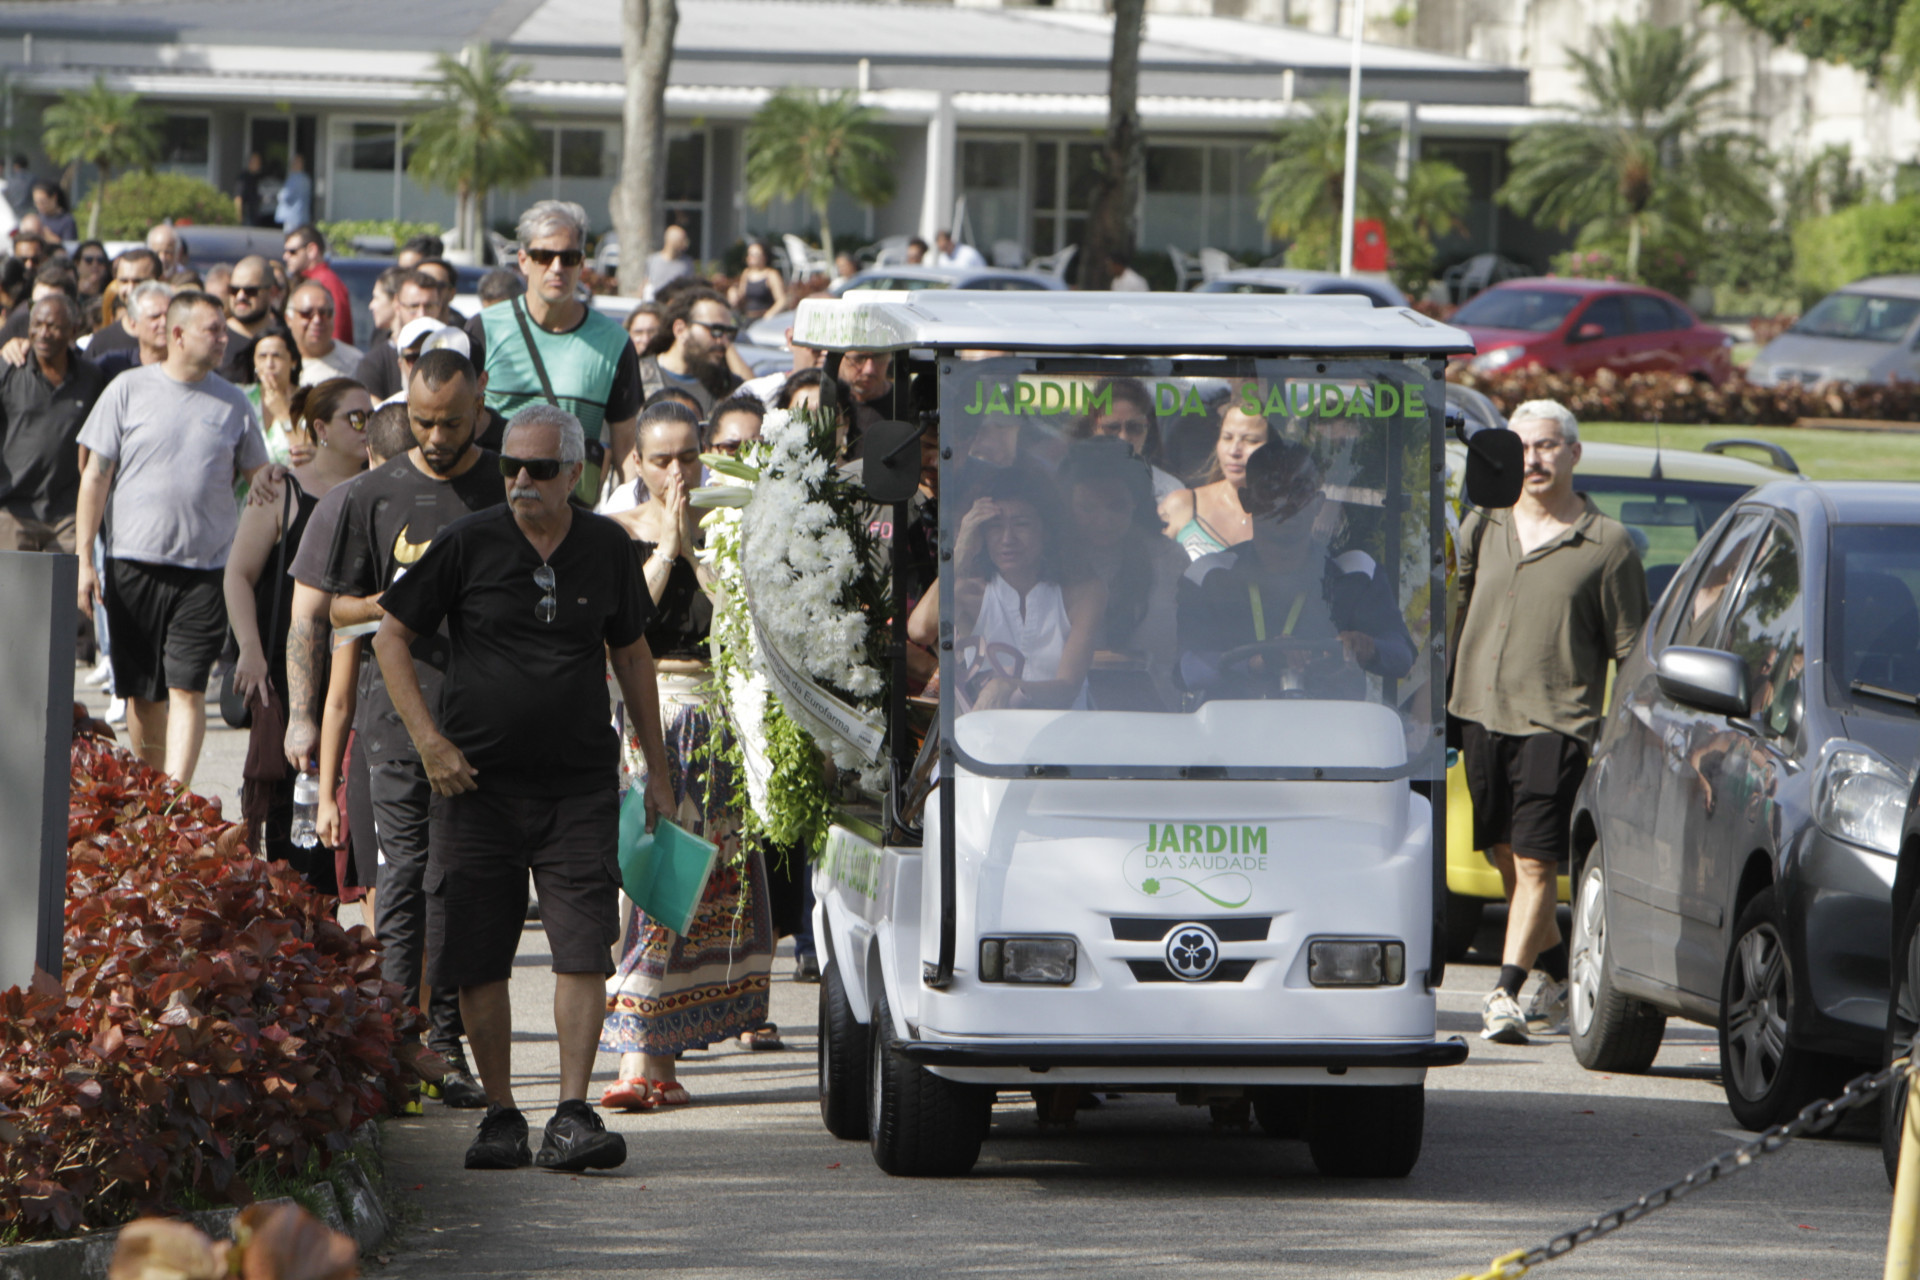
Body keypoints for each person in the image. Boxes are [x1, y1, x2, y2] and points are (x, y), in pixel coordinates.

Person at [375, 403, 671, 1171]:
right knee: (476, 954)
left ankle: (572, 1114)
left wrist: (659, 774)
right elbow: (390, 636)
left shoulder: (607, 546)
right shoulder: (468, 542)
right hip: (475, 787)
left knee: (582, 950)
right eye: (511, 465)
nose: (521, 481)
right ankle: (502, 1113)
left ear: (578, 473)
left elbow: (633, 656)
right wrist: (429, 743)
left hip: (578, 785)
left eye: (540, 469)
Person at [290, 348, 503, 1112]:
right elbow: (328, 609)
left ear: (479, 404)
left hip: (484, 718)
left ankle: (444, 1045)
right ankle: (391, 1046)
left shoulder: (508, 483)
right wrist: (396, 605)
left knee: (459, 880)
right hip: (394, 718)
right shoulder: (371, 495)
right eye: (421, 422)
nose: (437, 436)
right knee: (402, 880)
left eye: (451, 421)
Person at [1450, 399, 1648, 1045]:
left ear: (1573, 454)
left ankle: (1505, 993)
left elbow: (1629, 649)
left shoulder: (1607, 543)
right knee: (1504, 853)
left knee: (1536, 863)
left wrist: (1620, 734)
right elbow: (1457, 608)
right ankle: (1563, 974)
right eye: (1523, 447)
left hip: (1555, 722)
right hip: (1478, 712)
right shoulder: (1483, 522)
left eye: (1547, 446)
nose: (1533, 460)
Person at [598, 400, 776, 1111]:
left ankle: (663, 1058)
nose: (678, 471)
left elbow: (742, 621)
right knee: (648, 882)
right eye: (663, 459)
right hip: (653, 716)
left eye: (689, 457)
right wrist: (665, 548)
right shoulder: (613, 534)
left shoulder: (730, 525)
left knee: (703, 888)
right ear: (635, 463)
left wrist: (697, 549)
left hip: (721, 720)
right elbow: (622, 625)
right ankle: (638, 1055)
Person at [74, 291, 269, 782]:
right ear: (177, 335)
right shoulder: (127, 389)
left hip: (206, 571)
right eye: (214, 330)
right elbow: (94, 477)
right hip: (132, 563)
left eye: (224, 330)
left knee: (188, 688)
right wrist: (84, 559)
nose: (225, 339)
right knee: (143, 694)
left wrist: (284, 477)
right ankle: (151, 790)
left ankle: (176, 799)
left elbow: (260, 477)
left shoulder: (234, 404)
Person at [224, 378, 370, 883]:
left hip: (360, 675)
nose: (366, 426)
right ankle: (297, 947)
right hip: (291, 676)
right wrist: (250, 650)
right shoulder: (280, 490)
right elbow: (238, 575)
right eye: (356, 417)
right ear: (320, 428)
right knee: (295, 824)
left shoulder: (377, 488)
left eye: (371, 416)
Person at [1176, 439, 1414, 703]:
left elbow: (1402, 655)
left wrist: (1367, 647)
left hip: (1332, 733)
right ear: (1246, 499)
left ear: (1318, 503)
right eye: (1271, 489)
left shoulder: (1356, 573)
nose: (1285, 503)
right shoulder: (1210, 575)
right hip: (1236, 733)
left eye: (1298, 490)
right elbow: (1185, 668)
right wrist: (1256, 663)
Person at [469, 201, 640, 504]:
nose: (557, 267)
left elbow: (626, 450)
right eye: (544, 256)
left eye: (569, 257)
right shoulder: (484, 329)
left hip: (571, 519)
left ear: (582, 264)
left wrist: (632, 518)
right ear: (523, 260)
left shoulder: (614, 342)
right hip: (492, 508)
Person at [908, 468, 1106, 713]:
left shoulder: (1083, 592)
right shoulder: (968, 590)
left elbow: (1067, 688)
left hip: (1064, 738)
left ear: (1046, 529)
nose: (1007, 538)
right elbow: (919, 630)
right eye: (994, 526)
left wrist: (1007, 686)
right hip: (989, 743)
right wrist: (959, 555)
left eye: (1022, 524)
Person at [1060, 438, 1185, 707]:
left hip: (1156, 717)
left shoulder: (1169, 560)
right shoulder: (1051, 561)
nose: (1103, 521)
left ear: (1136, 503)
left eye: (1116, 506)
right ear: (1067, 505)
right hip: (1068, 717)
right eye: (1088, 508)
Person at [0, 294, 106, 552]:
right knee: (11, 593)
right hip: (13, 512)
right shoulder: (8, 369)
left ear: (72, 331)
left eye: (53, 326)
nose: (43, 333)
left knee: (64, 591)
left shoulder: (91, 379)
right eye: (37, 325)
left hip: (67, 516)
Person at [1159, 402, 1265, 559]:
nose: (1234, 450)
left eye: (1250, 440)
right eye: (1227, 438)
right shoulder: (1182, 505)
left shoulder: (1292, 516)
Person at [1070, 376, 1179, 501]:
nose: (1123, 437)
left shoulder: (1169, 491)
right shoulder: (1068, 480)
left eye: (1135, 428)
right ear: (1092, 428)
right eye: (1111, 428)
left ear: (1148, 431)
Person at [638, 286, 738, 415]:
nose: (724, 341)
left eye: (729, 332)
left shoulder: (727, 387)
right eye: (716, 330)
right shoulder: (636, 377)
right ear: (680, 330)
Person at [354, 269, 444, 400]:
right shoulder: (373, 364)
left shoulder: (455, 349)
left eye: (429, 306)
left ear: (440, 306)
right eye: (413, 307)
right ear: (397, 305)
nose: (422, 314)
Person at [237, 328, 306, 466]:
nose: (269, 364)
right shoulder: (240, 396)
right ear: (254, 362)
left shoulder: (309, 400)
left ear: (293, 361)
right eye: (262, 356)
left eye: (277, 356)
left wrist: (284, 414)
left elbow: (310, 453)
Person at [282, 225, 353, 346]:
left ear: (312, 250)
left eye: (292, 252)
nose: (285, 256)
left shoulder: (327, 282)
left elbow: (336, 333)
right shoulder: (304, 280)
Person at [93, 282, 173, 383]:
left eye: (169, 315)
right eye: (155, 317)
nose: (164, 322)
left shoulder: (191, 367)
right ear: (133, 324)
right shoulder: (111, 365)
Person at [286, 280, 362, 384]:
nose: (317, 320)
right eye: (307, 313)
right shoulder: (276, 360)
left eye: (324, 313)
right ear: (288, 319)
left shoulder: (356, 363)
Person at [224, 255, 278, 347]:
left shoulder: (286, 339)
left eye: (250, 291)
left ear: (272, 292)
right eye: (234, 290)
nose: (240, 296)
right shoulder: (218, 339)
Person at [727, 241, 786, 321]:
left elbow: (782, 301)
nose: (750, 257)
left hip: (763, 319)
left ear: (764, 257)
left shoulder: (771, 274)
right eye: (749, 254)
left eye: (755, 255)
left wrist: (769, 315)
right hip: (748, 318)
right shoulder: (747, 273)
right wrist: (733, 291)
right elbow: (742, 295)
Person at [645, 223, 694, 297]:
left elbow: (691, 288)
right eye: (681, 241)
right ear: (671, 240)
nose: (685, 244)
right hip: (655, 304)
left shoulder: (687, 263)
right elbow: (646, 283)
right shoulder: (653, 260)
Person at [275, 153, 313, 233]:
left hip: (292, 217)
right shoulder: (306, 179)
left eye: (293, 163)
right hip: (303, 217)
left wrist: (278, 195)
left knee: (290, 240)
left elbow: (286, 196)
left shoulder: (294, 178)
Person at [233, 151, 268, 226]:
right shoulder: (243, 178)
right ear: (250, 162)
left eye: (259, 162)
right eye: (257, 162)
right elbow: (238, 198)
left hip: (256, 216)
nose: (259, 164)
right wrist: (238, 216)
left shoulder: (257, 178)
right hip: (247, 217)